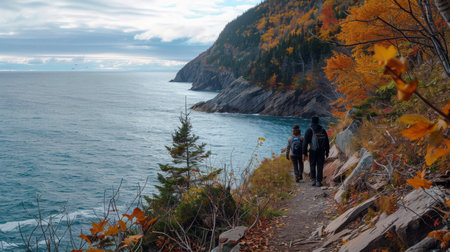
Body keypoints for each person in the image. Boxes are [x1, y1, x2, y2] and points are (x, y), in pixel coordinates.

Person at [303, 116, 330, 187]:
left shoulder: (309, 130)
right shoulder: (323, 130)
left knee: (312, 165)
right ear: (318, 121)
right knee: (320, 166)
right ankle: (319, 181)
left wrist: (304, 152)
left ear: (311, 121)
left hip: (312, 150)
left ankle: (313, 180)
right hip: (321, 151)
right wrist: (327, 152)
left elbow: (305, 142)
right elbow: (326, 142)